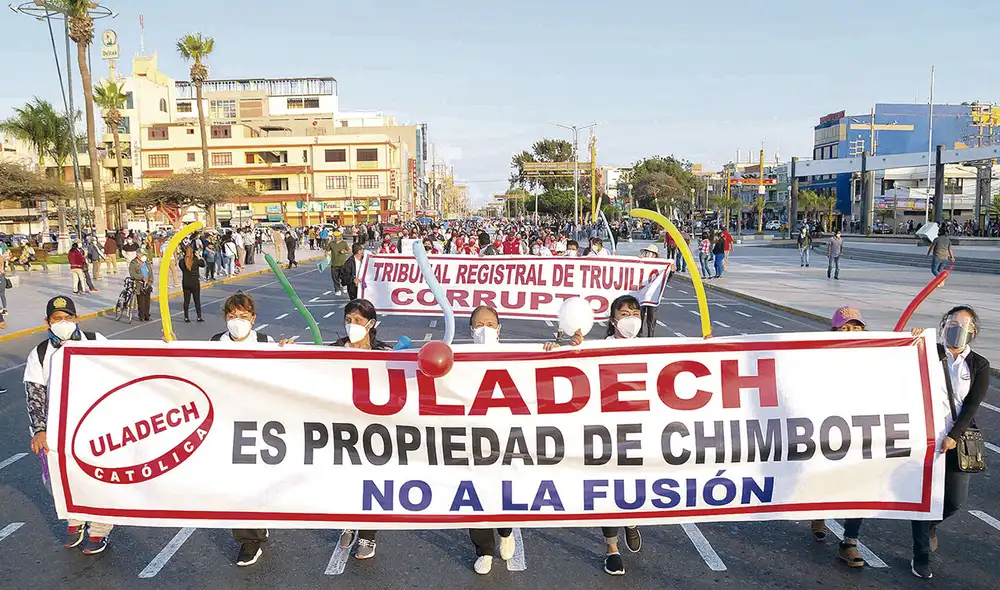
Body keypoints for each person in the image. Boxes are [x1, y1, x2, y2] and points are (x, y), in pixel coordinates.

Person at [24, 296, 111, 554]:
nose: (63, 323)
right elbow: (34, 393)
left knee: (100, 478)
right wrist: (39, 430)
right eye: (57, 319)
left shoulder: (96, 342)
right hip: (59, 429)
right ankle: (75, 519)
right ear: (47, 322)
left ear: (77, 319)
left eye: (68, 318)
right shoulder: (40, 353)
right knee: (60, 479)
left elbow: (126, 367)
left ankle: (99, 530)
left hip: (97, 426)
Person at [909, 305, 989, 579]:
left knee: (955, 500)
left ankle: (932, 524)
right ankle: (920, 556)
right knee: (922, 499)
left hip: (956, 440)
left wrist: (953, 437)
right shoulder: (928, 351)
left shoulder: (979, 364)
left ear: (973, 332)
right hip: (923, 437)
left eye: (961, 324)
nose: (954, 327)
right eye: (950, 322)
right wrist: (912, 341)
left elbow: (972, 406)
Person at [207, 293, 276, 566]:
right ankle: (250, 538)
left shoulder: (265, 343)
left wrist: (286, 353)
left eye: (243, 317)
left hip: (260, 425)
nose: (238, 322)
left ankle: (255, 531)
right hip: (226, 424)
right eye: (232, 316)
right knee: (235, 485)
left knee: (256, 484)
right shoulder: (215, 344)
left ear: (253, 319)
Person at [808, 306, 868, 566]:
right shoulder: (819, 356)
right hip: (827, 430)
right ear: (833, 331)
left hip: (863, 431)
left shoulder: (879, 356)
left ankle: (849, 542)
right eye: (844, 328)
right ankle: (818, 510)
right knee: (827, 479)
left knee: (859, 486)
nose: (851, 332)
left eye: (856, 328)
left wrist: (915, 339)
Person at [335, 299, 393, 560]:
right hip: (340, 428)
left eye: (358, 321)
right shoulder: (333, 350)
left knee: (371, 484)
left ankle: (368, 537)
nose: (352, 325)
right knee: (345, 479)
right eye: (348, 320)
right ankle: (347, 521)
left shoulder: (384, 351)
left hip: (374, 430)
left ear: (371, 324)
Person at [463, 305, 518, 574]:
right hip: (468, 440)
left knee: (502, 493)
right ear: (470, 329)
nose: (485, 329)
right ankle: (483, 549)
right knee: (474, 497)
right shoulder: (457, 359)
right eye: (479, 324)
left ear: (499, 329)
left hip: (505, 440)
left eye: (490, 324)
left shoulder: (516, 357)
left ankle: (506, 530)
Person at [638, 245, 660, 337]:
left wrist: (671, 271)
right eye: (646, 252)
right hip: (641, 294)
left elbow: (665, 279)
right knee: (640, 315)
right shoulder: (641, 263)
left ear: (654, 255)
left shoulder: (659, 265)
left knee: (651, 317)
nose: (647, 254)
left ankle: (651, 337)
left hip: (653, 295)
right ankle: (639, 333)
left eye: (649, 253)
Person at [180, 244, 205, 323]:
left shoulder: (181, 261)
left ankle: (186, 317)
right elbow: (203, 264)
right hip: (194, 282)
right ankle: (199, 317)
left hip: (186, 282)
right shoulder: (195, 260)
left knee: (186, 300)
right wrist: (198, 256)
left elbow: (182, 268)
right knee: (196, 300)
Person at [129, 252, 153, 322]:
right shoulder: (133, 264)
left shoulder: (147, 263)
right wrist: (141, 278)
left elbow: (151, 272)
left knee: (147, 301)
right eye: (142, 255)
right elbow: (132, 274)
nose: (144, 256)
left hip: (147, 283)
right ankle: (141, 315)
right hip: (139, 284)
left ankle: (147, 315)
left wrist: (150, 280)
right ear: (138, 256)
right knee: (141, 301)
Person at [327, 230, 351, 295]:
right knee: (335, 278)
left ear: (340, 236)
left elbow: (349, 251)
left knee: (344, 277)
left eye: (337, 236)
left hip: (342, 263)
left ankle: (344, 286)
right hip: (334, 264)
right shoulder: (331, 243)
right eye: (335, 236)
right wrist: (326, 254)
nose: (336, 238)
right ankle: (337, 290)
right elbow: (327, 250)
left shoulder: (344, 243)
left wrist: (344, 252)